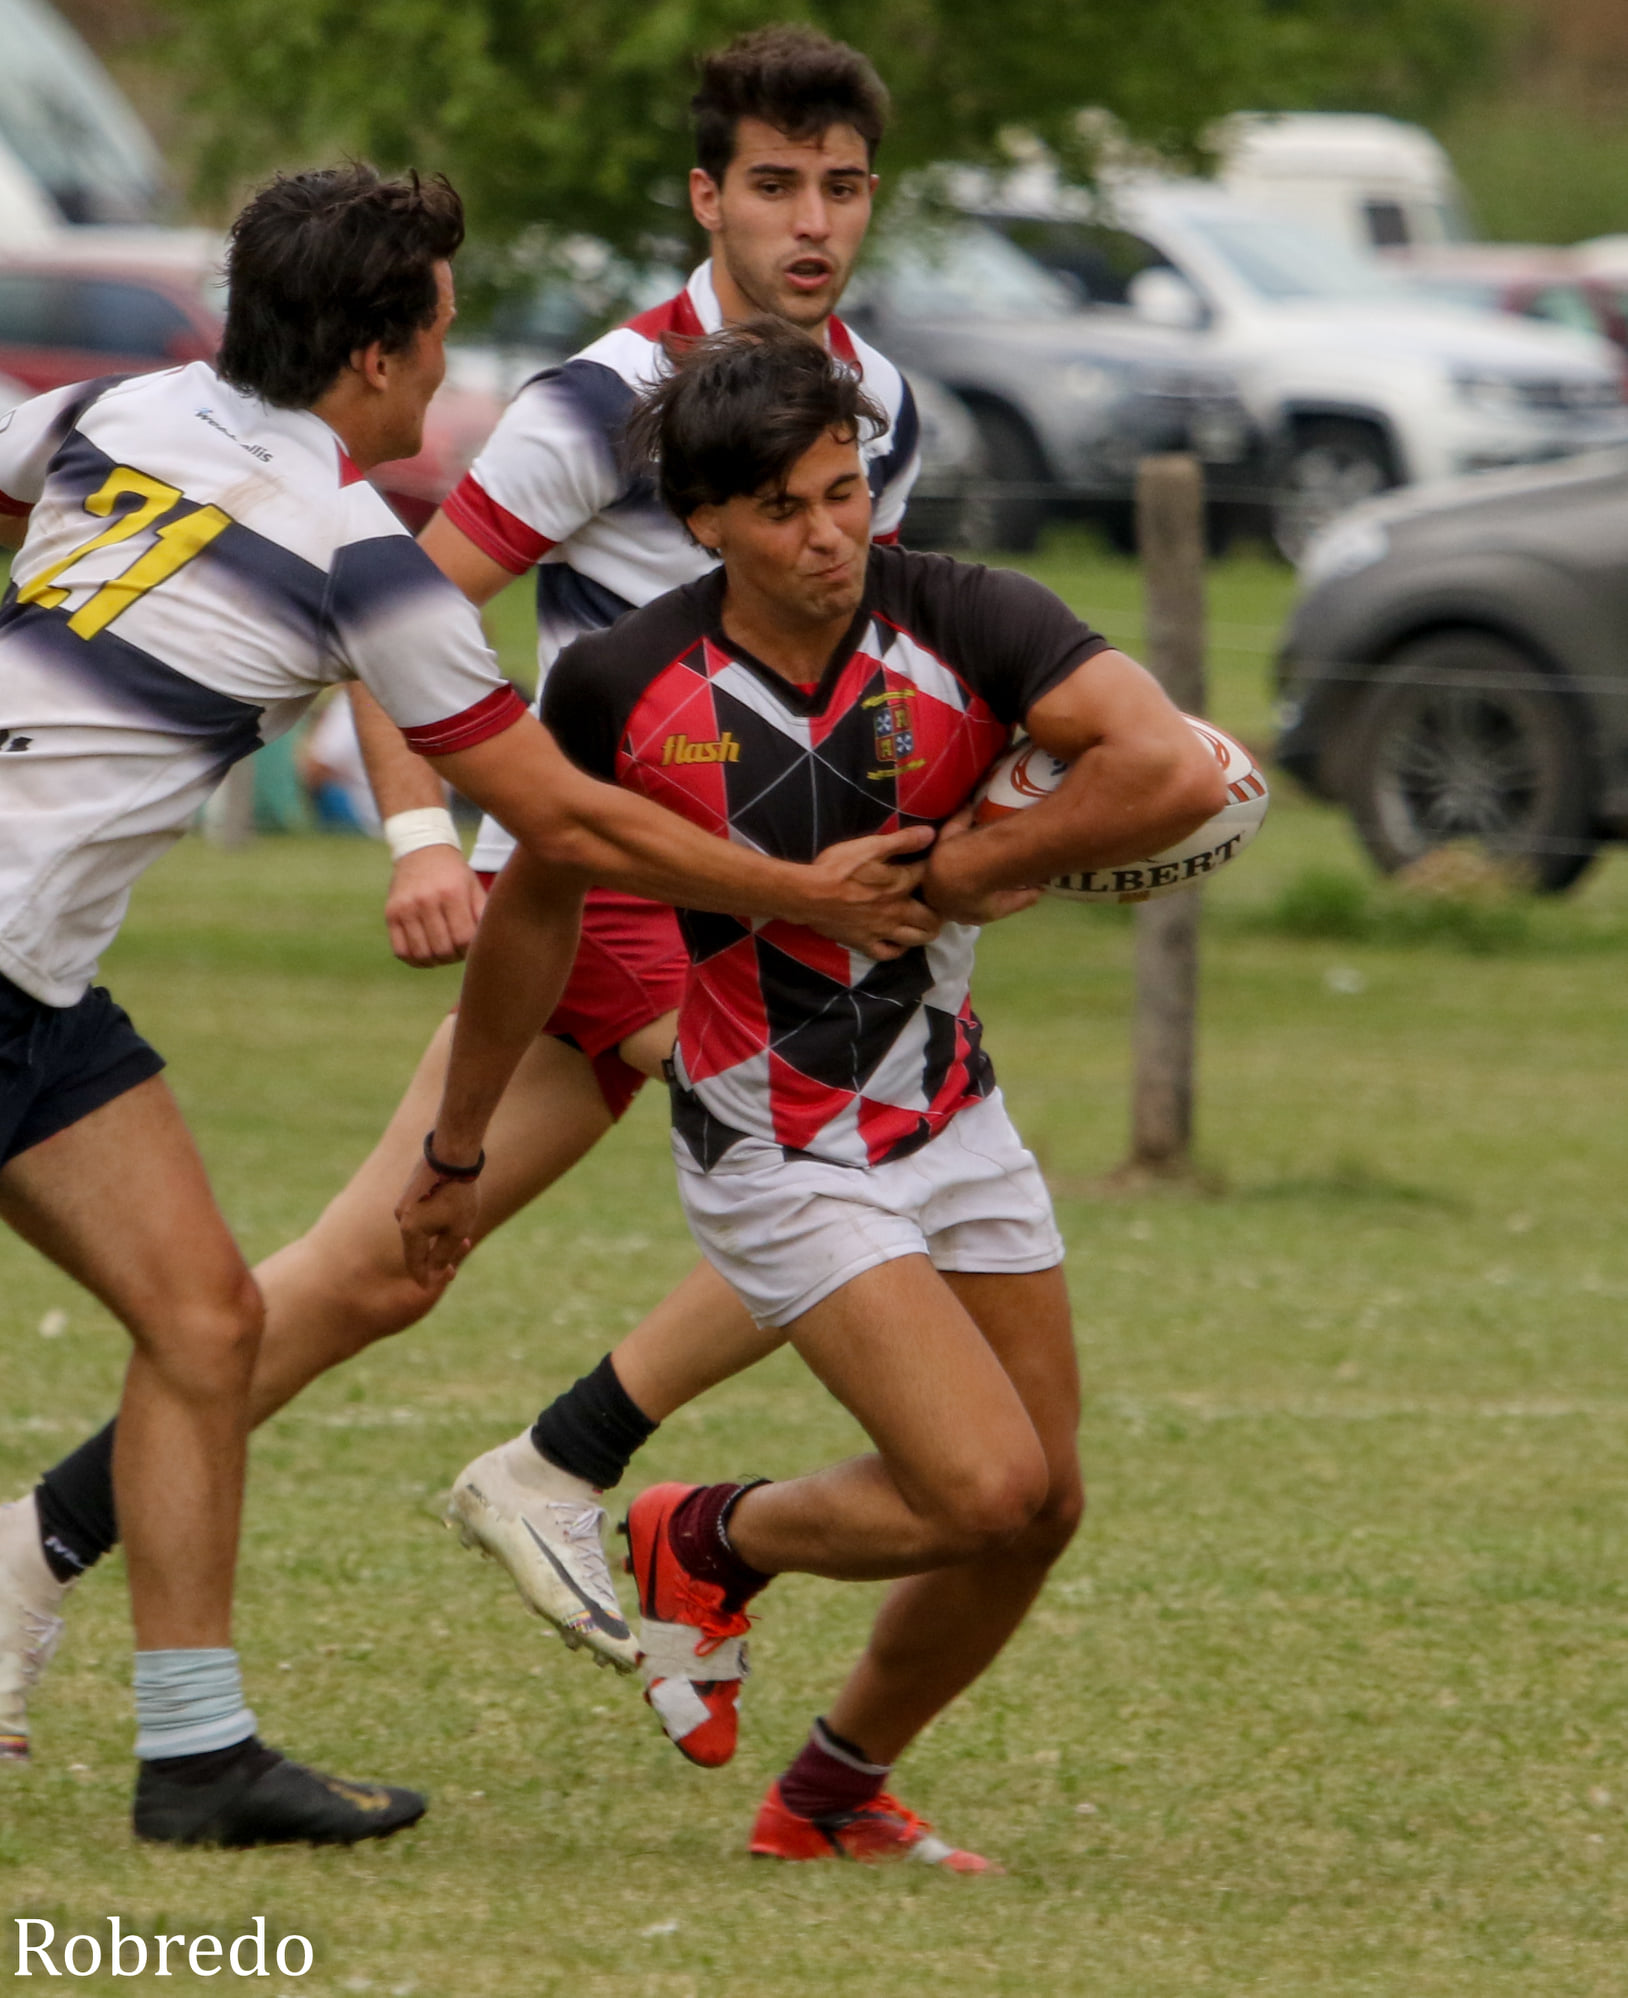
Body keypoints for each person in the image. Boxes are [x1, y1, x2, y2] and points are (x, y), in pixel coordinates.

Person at [0, 163, 933, 1845]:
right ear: (371, 356)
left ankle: (197, 1756)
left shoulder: (111, 406)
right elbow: (561, 822)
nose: (447, 365)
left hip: (29, 979)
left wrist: (121, 569)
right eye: (434, 328)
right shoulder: (354, 551)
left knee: (208, 1324)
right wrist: (809, 893)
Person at [401, 320, 1226, 1868]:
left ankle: (831, 1792)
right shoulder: (623, 682)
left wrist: (977, 865)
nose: (831, 532)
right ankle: (700, 1535)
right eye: (784, 508)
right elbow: (535, 912)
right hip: (778, 1147)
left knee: (1044, 1509)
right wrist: (455, 1143)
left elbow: (1172, 767)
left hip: (957, 1118)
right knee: (983, 1483)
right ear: (705, 520)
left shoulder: (964, 615)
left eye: (845, 491)